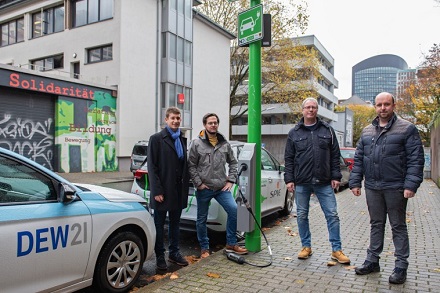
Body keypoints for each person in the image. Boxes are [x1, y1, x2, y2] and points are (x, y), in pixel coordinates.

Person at [349, 92, 424, 284]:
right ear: (375, 107)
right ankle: (373, 261)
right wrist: (355, 182)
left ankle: (401, 266)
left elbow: (416, 159)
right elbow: (359, 159)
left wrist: (411, 185)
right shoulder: (366, 131)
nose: (383, 108)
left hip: (396, 187)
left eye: (386, 104)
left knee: (398, 226)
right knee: (376, 224)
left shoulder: (407, 129)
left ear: (393, 106)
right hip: (372, 187)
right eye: (379, 105)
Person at [284, 97, 350, 264]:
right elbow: (289, 158)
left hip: (323, 181)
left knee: (332, 215)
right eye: (308, 107)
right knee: (301, 215)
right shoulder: (294, 133)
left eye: (313, 107)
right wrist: (289, 179)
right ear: (303, 110)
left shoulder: (327, 130)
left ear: (317, 110)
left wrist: (336, 176)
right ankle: (306, 247)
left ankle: (336, 250)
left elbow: (335, 155)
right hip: (302, 182)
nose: (311, 110)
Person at [188, 113, 248, 259]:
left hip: (222, 188)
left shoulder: (224, 143)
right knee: (201, 219)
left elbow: (233, 162)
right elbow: (191, 165)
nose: (213, 125)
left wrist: (231, 180)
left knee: (234, 211)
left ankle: (231, 243)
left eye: (215, 123)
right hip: (205, 188)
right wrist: (199, 184)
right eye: (210, 123)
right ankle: (204, 248)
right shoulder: (196, 143)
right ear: (205, 125)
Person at [147, 107, 190, 270]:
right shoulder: (156, 139)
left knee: (175, 224)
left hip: (178, 192)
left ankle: (174, 252)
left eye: (178, 118)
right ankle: (160, 255)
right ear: (166, 120)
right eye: (172, 118)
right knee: (159, 224)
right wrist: (157, 190)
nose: (176, 121)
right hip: (162, 192)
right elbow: (152, 167)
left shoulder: (182, 139)